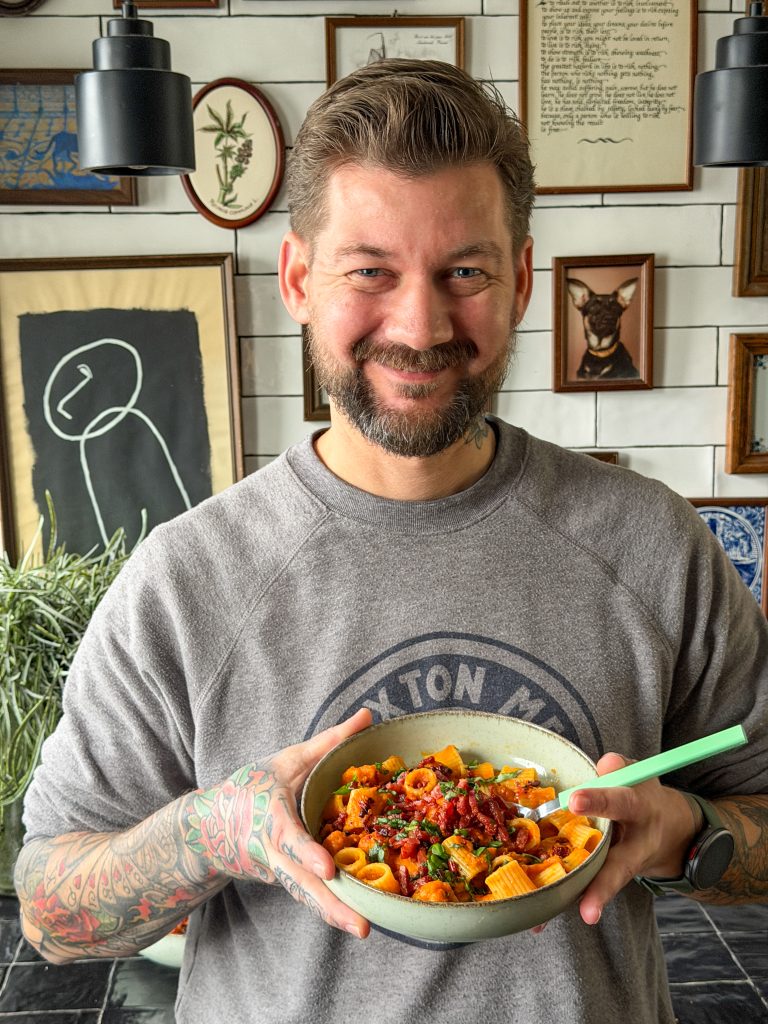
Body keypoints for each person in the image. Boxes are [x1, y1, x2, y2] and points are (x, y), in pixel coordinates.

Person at [14, 59, 768, 1024]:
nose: (419, 326)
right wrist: (212, 834)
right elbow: (49, 912)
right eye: (370, 271)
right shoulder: (184, 579)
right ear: (297, 278)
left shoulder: (652, 542)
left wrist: (688, 836)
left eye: (465, 272)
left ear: (523, 281)